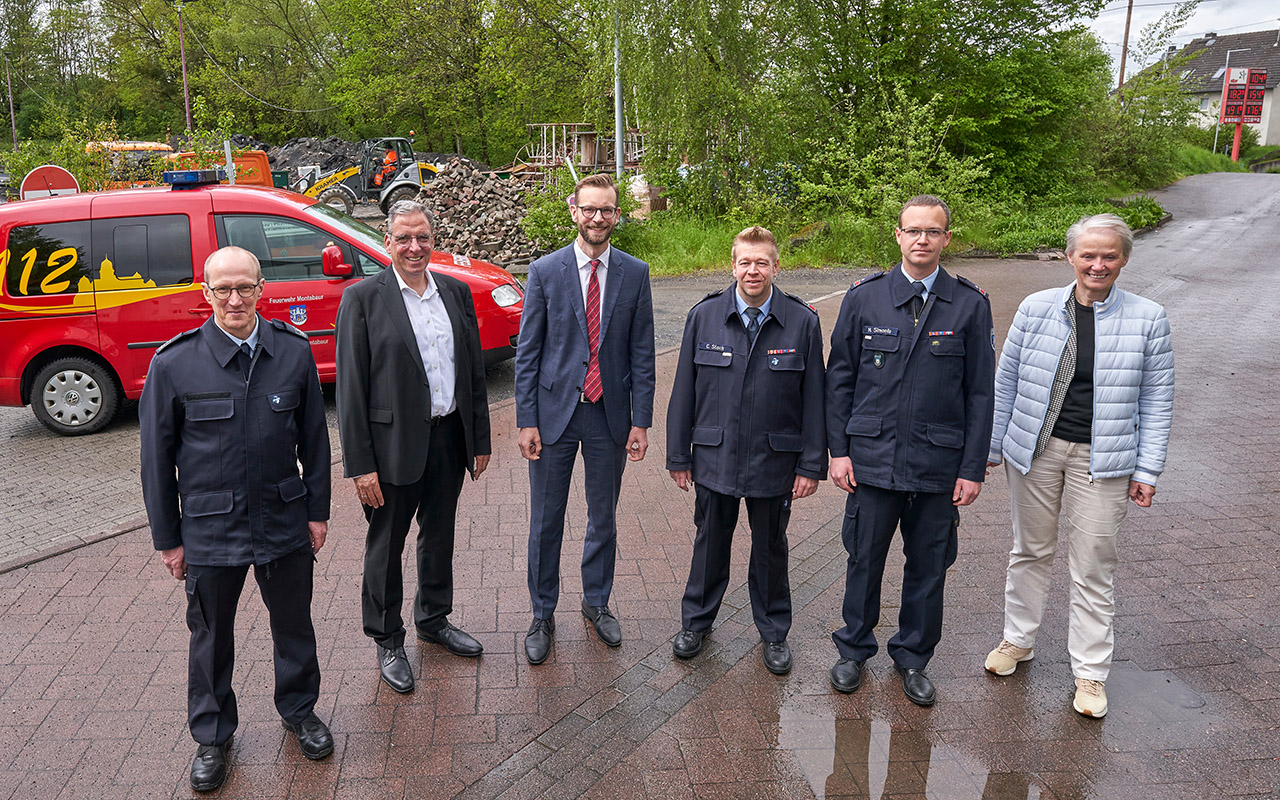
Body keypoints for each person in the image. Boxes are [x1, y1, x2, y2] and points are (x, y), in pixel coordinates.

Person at [140, 246, 333, 792]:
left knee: (294, 625)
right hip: (209, 530)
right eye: (222, 288)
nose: (234, 299)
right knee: (209, 638)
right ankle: (213, 735)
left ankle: (300, 711)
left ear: (261, 289)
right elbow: (155, 461)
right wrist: (167, 540)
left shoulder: (293, 353)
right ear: (205, 293)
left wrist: (317, 512)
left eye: (244, 287)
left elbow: (316, 443)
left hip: (283, 519)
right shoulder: (174, 363)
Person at [984, 213, 1173, 719]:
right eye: (1088, 254)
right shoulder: (1036, 307)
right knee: (1029, 550)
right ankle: (1017, 641)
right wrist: (991, 446)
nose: (1097, 264)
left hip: (1104, 459)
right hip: (1037, 450)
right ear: (1070, 257)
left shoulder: (1148, 318)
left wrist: (1147, 470)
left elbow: (1157, 400)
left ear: (1124, 260)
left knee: (1093, 566)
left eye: (1109, 255)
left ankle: (1090, 673)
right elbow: (1007, 381)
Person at [826, 195, 995, 706]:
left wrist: (973, 468)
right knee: (864, 559)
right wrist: (838, 451)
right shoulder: (864, 298)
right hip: (872, 461)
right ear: (897, 236)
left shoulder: (969, 303)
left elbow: (980, 393)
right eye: (913, 230)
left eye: (933, 231)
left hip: (938, 465)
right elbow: (840, 381)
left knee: (929, 565)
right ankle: (854, 649)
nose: (922, 239)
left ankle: (914, 658)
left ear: (947, 238)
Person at [335, 199, 491, 694]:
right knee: (386, 545)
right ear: (387, 242)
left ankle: (433, 618)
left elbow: (473, 373)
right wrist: (360, 465)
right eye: (403, 238)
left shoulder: (456, 292)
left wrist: (479, 438)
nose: (414, 247)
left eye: (422, 236)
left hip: (448, 437)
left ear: (433, 237)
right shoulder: (362, 299)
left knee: (439, 533)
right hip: (390, 448)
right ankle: (387, 638)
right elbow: (351, 391)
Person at [665, 225, 826, 674]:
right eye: (745, 262)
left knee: (771, 548)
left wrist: (811, 464)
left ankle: (774, 632)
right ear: (731, 265)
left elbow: (815, 399)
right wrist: (679, 455)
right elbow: (684, 393)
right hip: (714, 457)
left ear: (777, 265)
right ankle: (696, 622)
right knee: (710, 542)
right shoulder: (704, 316)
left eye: (762, 262)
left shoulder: (802, 321)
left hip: (775, 459)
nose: (753, 271)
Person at [514, 172, 656, 664]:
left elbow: (643, 353)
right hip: (554, 416)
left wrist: (642, 421)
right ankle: (542, 612)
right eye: (589, 209)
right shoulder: (544, 271)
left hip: (608, 417)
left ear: (617, 215)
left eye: (607, 210)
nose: (598, 218)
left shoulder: (635, 274)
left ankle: (596, 603)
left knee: (604, 518)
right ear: (574, 211)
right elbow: (528, 353)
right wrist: (525, 419)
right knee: (545, 520)